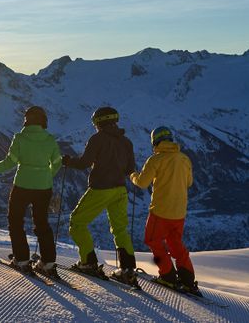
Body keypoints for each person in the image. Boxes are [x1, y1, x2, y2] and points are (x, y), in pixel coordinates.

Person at [63, 106, 139, 285]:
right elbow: (130, 169)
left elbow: (84, 163)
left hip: (101, 189)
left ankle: (88, 262)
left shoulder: (97, 139)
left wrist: (68, 162)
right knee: (120, 229)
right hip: (120, 190)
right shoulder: (126, 142)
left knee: (77, 222)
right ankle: (128, 269)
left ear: (98, 122)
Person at [0, 106, 63, 276]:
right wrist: (46, 175)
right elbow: (57, 163)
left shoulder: (19, 138)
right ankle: (48, 263)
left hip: (22, 186)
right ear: (44, 121)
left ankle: (22, 260)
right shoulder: (50, 139)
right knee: (42, 223)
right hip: (44, 188)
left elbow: (10, 162)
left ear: (26, 120)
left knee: (16, 221)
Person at [130, 126, 201, 296]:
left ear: (155, 142)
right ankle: (188, 280)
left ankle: (168, 275)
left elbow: (142, 183)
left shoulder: (156, 159)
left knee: (153, 240)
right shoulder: (184, 159)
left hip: (160, 210)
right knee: (175, 244)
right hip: (179, 212)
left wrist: (132, 175)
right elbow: (189, 182)